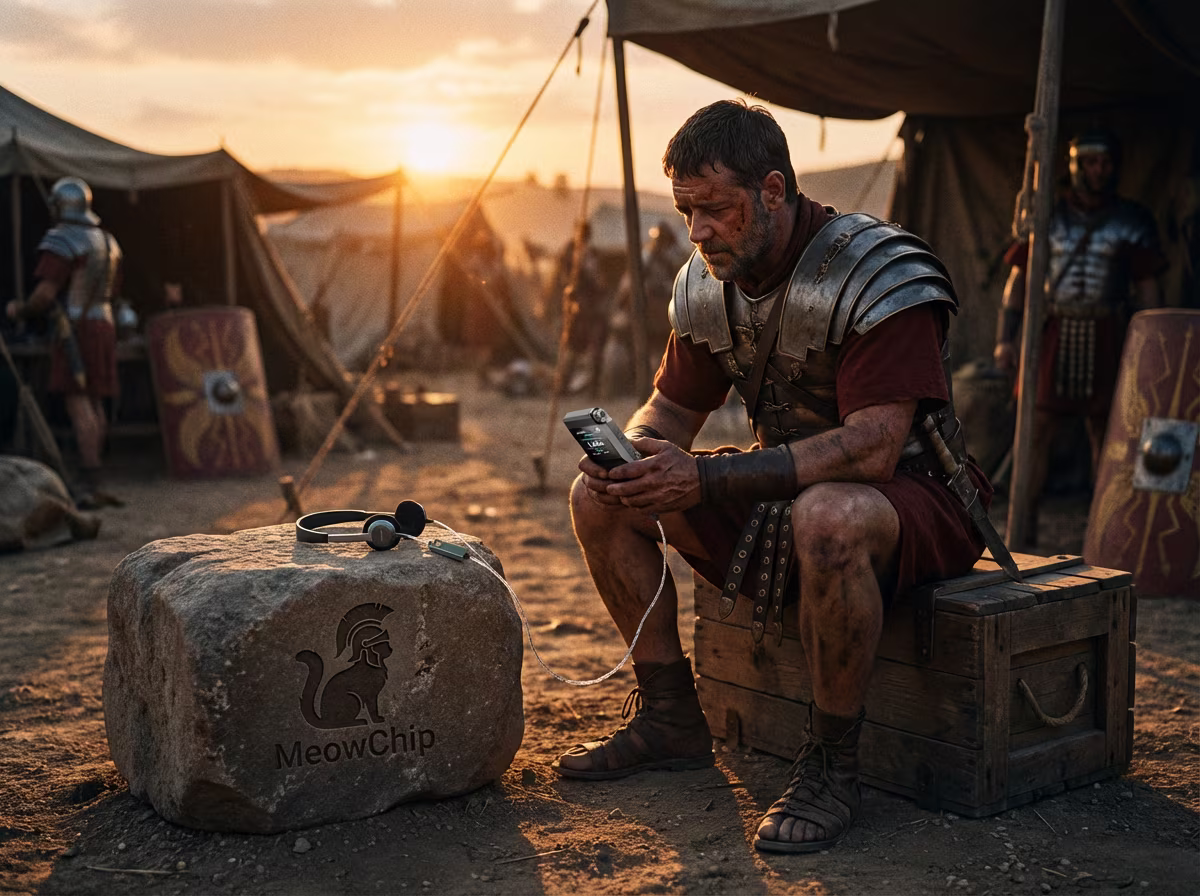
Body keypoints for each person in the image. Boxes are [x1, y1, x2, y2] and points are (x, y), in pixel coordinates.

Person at [554, 100, 991, 854]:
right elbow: (666, 412)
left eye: (717, 210)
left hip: (913, 500)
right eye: (688, 211)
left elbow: (874, 450)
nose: (699, 232)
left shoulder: (877, 273)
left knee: (827, 515)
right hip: (787, 494)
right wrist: (630, 458)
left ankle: (832, 765)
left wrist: (706, 482)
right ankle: (670, 718)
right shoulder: (709, 281)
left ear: (774, 191)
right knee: (596, 500)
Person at [994, 130, 1166, 545]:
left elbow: (1147, 290)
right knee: (1034, 432)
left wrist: (1151, 349)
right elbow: (1018, 284)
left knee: (1109, 436)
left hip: (1108, 334)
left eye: (1105, 162)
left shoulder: (1132, 221)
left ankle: (1104, 534)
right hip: (1053, 331)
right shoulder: (1047, 219)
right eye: (1090, 162)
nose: (1098, 170)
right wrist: (1007, 338)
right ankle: (1023, 532)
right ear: (1075, 166)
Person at [5, 176, 124, 509]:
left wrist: (21, 310)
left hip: (77, 329)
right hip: (104, 324)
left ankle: (88, 481)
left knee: (79, 401)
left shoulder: (63, 239)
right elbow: (112, 292)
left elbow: (45, 294)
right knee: (95, 401)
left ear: (61, 205)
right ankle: (94, 477)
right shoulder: (107, 240)